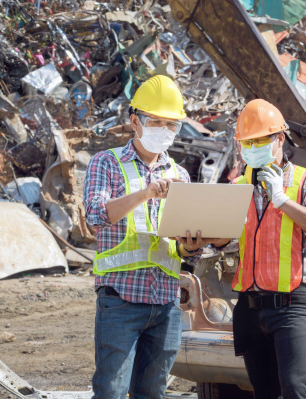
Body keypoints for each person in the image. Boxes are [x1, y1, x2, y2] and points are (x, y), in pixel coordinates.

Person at [83, 75, 221, 399]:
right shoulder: (107, 163)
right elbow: (95, 216)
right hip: (121, 300)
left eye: (171, 124)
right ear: (135, 122)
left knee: (152, 393)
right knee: (111, 392)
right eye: (156, 121)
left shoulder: (181, 175)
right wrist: (145, 194)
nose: (165, 130)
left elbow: (187, 254)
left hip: (166, 303)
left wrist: (193, 245)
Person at [230, 99, 306, 399]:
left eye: (259, 140)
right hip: (250, 305)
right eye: (246, 142)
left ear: (279, 138)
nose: (252, 147)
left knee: (295, 389)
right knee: (264, 392)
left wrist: (283, 201)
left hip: (292, 304)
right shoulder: (238, 186)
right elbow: (224, 240)